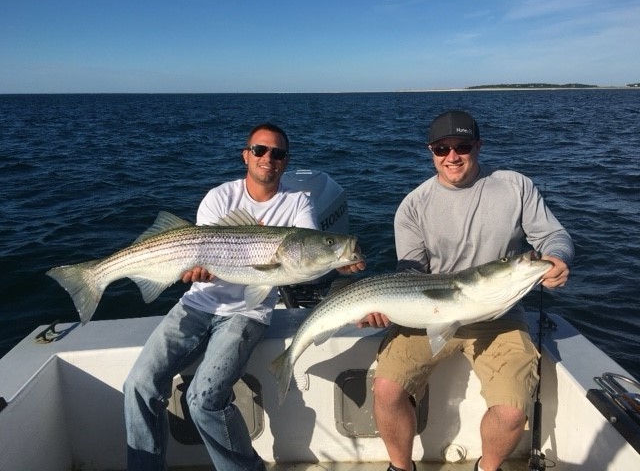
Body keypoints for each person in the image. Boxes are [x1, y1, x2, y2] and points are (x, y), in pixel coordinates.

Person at [124, 123, 364, 471]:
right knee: (138, 384)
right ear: (246, 155)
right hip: (197, 302)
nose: (269, 158)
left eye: (278, 153)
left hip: (247, 314)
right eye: (260, 150)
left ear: (286, 161)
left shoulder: (298, 204)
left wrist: (337, 262)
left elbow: (307, 258)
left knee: (203, 399)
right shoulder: (219, 197)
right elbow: (195, 251)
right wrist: (193, 270)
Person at [360, 110, 574, 471]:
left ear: (478, 146)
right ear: (431, 151)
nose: (452, 156)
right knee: (386, 390)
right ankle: (400, 467)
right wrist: (384, 307)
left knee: (511, 413)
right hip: (431, 309)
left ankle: (486, 468)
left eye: (462, 146)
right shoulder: (413, 205)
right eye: (441, 148)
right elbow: (409, 273)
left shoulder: (514, 186)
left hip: (499, 315)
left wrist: (557, 256)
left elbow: (554, 235)